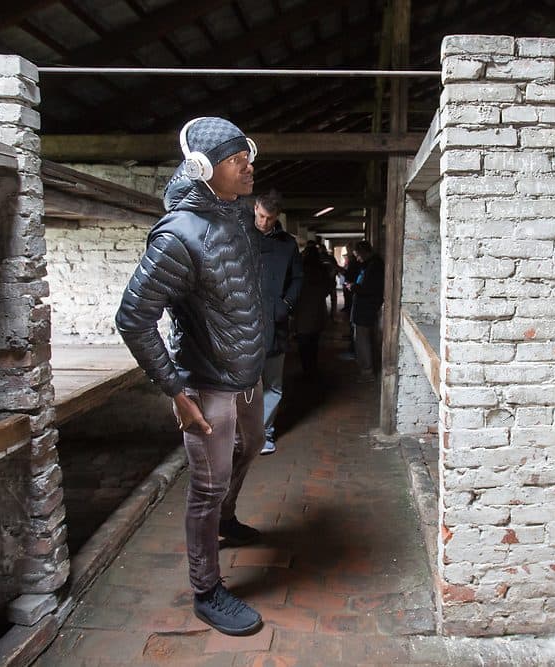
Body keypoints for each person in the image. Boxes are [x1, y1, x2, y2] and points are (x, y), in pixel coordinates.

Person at [115, 116, 265, 637]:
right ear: (204, 170)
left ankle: (225, 523)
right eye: (235, 160)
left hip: (246, 376)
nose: (248, 165)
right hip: (205, 382)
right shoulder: (177, 237)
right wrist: (176, 391)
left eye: (247, 153)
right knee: (207, 484)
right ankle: (206, 590)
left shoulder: (236, 214)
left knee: (252, 446)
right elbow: (133, 317)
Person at [254, 190, 302, 455]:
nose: (264, 223)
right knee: (245, 385)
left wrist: (286, 307)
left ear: (277, 217)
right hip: (243, 325)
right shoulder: (242, 237)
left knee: (273, 384)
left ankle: (265, 434)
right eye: (260, 216)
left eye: (270, 219)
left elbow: (297, 278)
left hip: (276, 324)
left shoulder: (287, 244)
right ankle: (245, 434)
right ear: (255, 209)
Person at [345, 240, 385, 383]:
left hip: (366, 308)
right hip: (364, 308)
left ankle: (367, 371)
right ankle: (365, 369)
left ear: (363, 252)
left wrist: (353, 287)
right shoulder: (371, 264)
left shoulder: (374, 266)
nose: (357, 258)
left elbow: (369, 289)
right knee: (361, 339)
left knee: (363, 341)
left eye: (357, 255)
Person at [294, 246, 333, 377]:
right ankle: (313, 367)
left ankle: (306, 368)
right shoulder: (322, 269)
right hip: (317, 309)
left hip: (302, 309)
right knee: (314, 341)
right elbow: (328, 288)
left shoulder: (299, 268)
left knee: (303, 342)